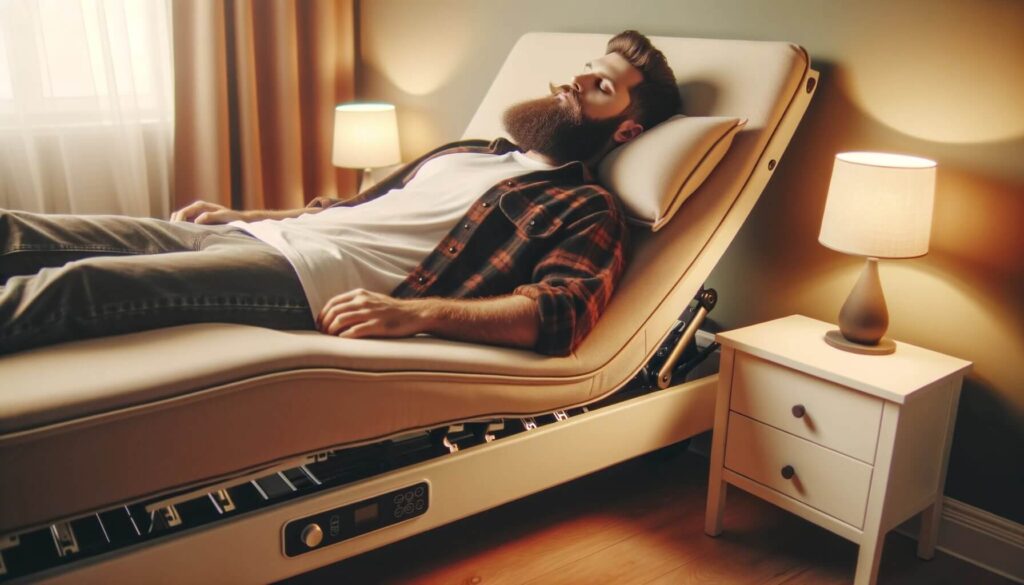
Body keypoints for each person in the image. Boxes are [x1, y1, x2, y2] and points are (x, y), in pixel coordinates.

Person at [0, 30, 681, 357]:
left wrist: (414, 313)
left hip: (307, 278)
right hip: (271, 238)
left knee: (82, 283)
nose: (574, 84)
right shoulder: (475, 150)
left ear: (626, 124)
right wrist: (247, 214)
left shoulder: (585, 207)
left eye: (601, 86)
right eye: (583, 71)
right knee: (27, 232)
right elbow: (352, 210)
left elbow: (562, 313)